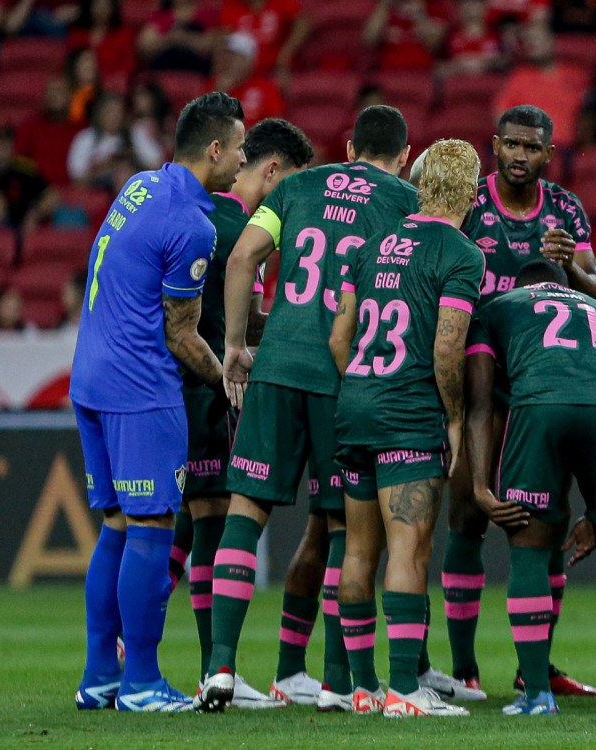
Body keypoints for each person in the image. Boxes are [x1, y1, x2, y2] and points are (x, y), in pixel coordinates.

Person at [192, 106, 418, 714]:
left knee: (246, 512)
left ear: (348, 147)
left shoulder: (293, 186)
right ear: (402, 154)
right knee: (347, 526)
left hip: (277, 368)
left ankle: (218, 670)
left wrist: (236, 344)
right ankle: (337, 685)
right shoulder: (404, 200)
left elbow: (242, 259)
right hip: (345, 376)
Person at [71, 91, 245, 713]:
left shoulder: (142, 186)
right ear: (216, 150)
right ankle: (142, 682)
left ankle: (101, 677)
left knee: (116, 526)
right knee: (151, 529)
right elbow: (180, 334)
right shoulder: (194, 225)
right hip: (140, 390)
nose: (244, 158)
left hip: (89, 377)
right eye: (240, 147)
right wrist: (229, 379)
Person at [445, 104, 596, 697]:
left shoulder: (565, 209)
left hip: (541, 388)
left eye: (531, 147)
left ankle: (534, 666)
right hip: (473, 379)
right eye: (510, 144)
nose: (519, 155)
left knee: (546, 520)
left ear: (547, 153)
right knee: (465, 518)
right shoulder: (467, 204)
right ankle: (463, 672)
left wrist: (571, 266)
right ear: (494, 145)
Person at [328, 138, 485, 718]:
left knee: (357, 552)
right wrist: (453, 417)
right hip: (408, 416)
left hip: (356, 406)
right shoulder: (463, 254)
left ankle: (362, 686)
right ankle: (403, 689)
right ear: (470, 193)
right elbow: (448, 348)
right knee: (409, 549)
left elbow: (338, 340)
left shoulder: (368, 249)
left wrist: (366, 384)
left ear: (420, 185)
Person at [466, 259, 596, 716]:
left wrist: (479, 484)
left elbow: (478, 403)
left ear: (523, 287)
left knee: (531, 546)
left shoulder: (498, 306)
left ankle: (536, 695)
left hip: (539, 408)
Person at [173, 118, 312, 710]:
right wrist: (300, 324)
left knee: (182, 525)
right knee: (210, 522)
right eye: (293, 186)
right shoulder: (236, 226)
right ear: (273, 172)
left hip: (177, 386)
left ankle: (131, 645)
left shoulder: (206, 214)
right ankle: (214, 670)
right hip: (207, 388)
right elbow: (243, 323)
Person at [492, 24, 588, 150]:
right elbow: (500, 115)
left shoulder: (576, 76)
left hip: (568, 150)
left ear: (552, 42)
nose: (534, 45)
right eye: (530, 41)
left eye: (539, 40)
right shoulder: (519, 77)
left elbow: (590, 110)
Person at [68, 94, 165, 187]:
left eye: (118, 112)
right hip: (98, 186)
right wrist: (105, 166)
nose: (114, 117)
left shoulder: (135, 134)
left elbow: (157, 164)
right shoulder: (87, 137)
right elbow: (77, 177)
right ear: (99, 114)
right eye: (109, 112)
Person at [16, 77, 84, 187]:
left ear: (70, 96)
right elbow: (17, 160)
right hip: (36, 191)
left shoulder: (81, 128)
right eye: (50, 92)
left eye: (59, 91)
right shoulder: (29, 125)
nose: (54, 96)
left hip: (74, 191)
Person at [206, 33, 284, 127]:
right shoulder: (211, 85)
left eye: (234, 57)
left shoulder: (266, 89)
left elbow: (276, 128)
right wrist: (220, 92)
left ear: (249, 62)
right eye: (224, 55)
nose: (226, 61)